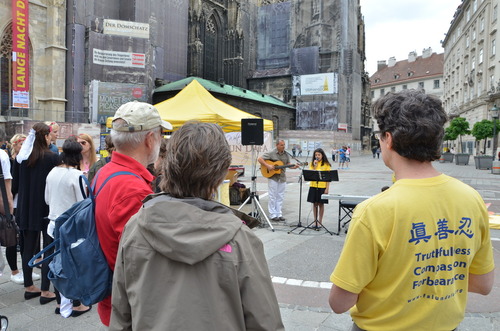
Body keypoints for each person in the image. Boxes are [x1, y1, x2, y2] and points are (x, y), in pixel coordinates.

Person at [328, 90, 495, 331]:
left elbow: (339, 302)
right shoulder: (471, 199)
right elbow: (483, 284)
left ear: (389, 139)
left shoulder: (373, 211)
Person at [109, 122, 284, 330]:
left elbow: (121, 316)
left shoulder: (135, 227)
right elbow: (265, 322)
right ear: (220, 174)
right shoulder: (240, 239)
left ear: (168, 164)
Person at [94, 101, 172, 326]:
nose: (161, 140)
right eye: (160, 134)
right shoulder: (132, 188)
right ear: (149, 140)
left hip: (115, 298)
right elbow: (138, 262)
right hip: (130, 307)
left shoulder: (108, 170)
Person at [12, 123, 59, 304]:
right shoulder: (52, 158)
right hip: (46, 208)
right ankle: (46, 290)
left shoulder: (21, 158)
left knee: (27, 248)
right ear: (46, 137)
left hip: (25, 207)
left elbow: (15, 186)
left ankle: (29, 286)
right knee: (48, 248)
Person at [45, 139, 91, 317]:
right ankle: (77, 304)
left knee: (56, 263)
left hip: (52, 223)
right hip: (72, 226)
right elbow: (82, 205)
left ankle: (59, 303)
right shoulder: (77, 175)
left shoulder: (52, 172)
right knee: (73, 264)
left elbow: (47, 199)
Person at [257, 139, 298, 222]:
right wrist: (268, 165)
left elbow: (288, 164)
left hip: (282, 177)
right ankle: (272, 214)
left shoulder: (286, 154)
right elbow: (260, 159)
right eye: (282, 145)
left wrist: (293, 167)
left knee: (280, 196)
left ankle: (279, 214)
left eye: (284, 145)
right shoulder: (271, 152)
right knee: (272, 196)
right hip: (273, 177)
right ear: (277, 145)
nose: (283, 146)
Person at [307, 148, 331, 230]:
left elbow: (328, 178)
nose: (317, 156)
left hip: (322, 186)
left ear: (322, 155)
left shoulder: (326, 164)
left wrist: (327, 189)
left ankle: (320, 221)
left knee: (321, 204)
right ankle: (315, 221)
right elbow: (310, 174)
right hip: (313, 186)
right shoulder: (312, 163)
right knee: (314, 203)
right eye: (316, 155)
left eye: (319, 155)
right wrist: (315, 166)